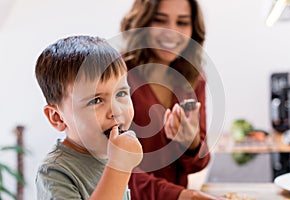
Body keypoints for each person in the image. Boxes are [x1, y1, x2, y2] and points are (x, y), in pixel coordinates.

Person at [120, 0, 220, 199]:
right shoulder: (117, 74)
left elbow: (199, 162)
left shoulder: (194, 78)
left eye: (182, 22)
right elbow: (111, 168)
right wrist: (183, 196)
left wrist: (191, 144)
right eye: (160, 20)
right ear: (142, 22)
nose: (172, 32)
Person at [34, 35, 143, 200]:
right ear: (57, 117)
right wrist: (119, 166)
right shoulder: (55, 172)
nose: (116, 110)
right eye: (96, 100)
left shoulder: (109, 156)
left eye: (121, 93)